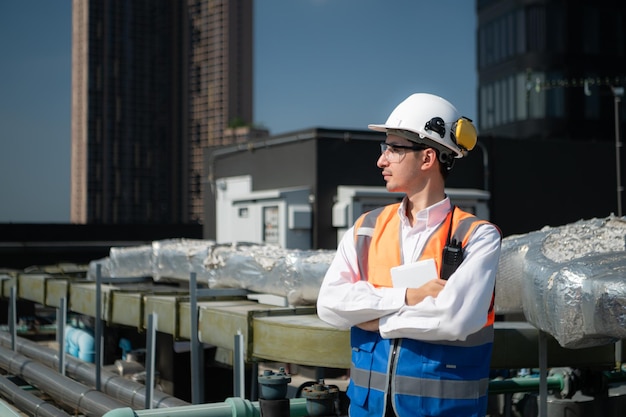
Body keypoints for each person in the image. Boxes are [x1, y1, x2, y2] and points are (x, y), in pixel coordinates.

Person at [316, 93, 502, 417]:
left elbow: (454, 320)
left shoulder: (477, 236)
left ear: (427, 157)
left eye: (394, 149)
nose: (381, 160)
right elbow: (330, 305)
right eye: (383, 148)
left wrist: (373, 320)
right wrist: (408, 296)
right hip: (366, 410)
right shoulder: (366, 229)